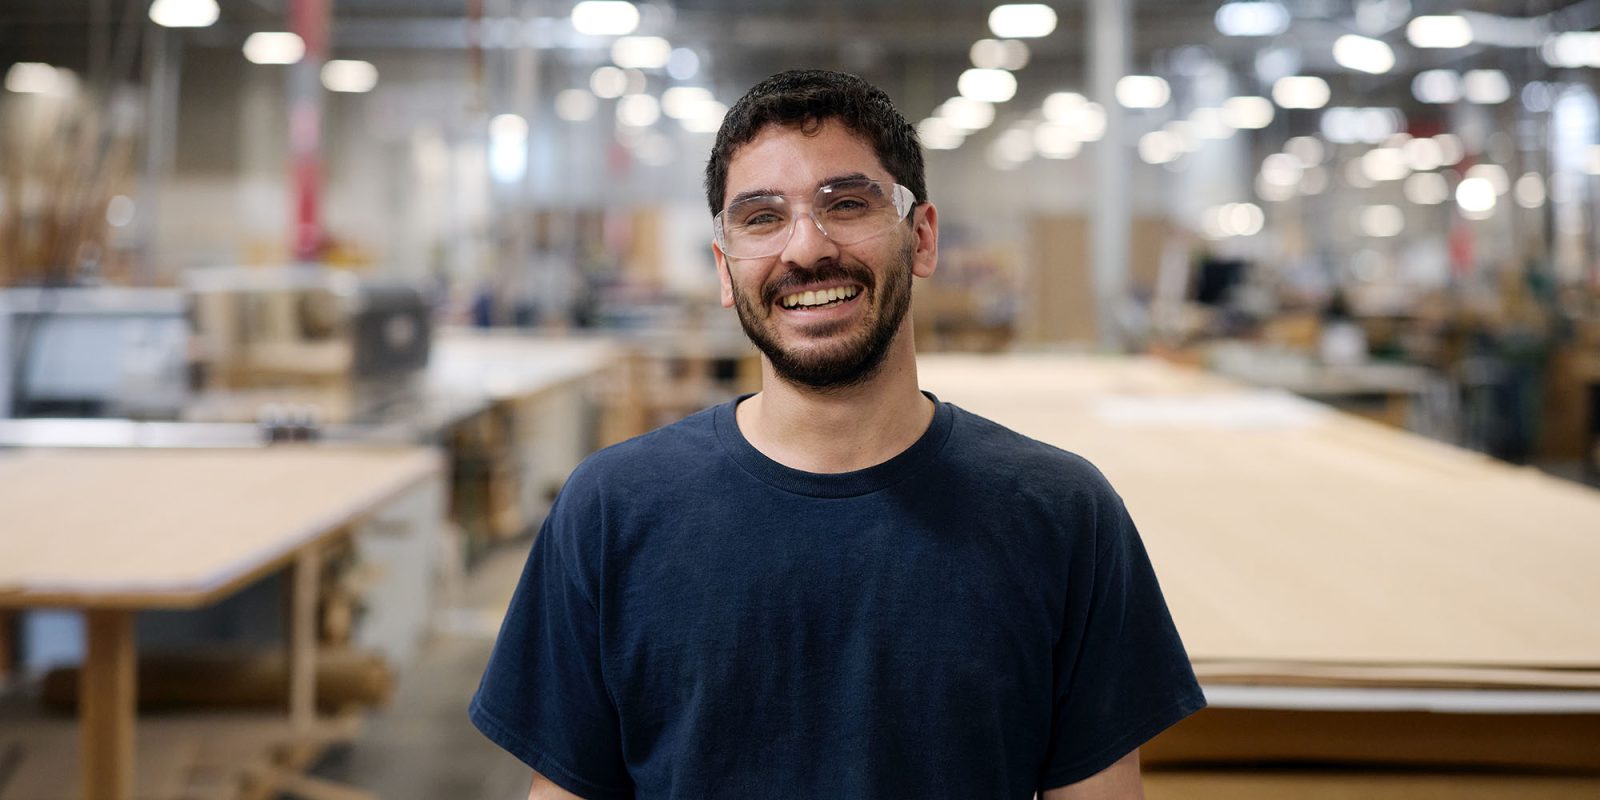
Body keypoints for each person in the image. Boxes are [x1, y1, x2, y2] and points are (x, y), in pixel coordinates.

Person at [470, 69, 1205, 800]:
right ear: (726, 269)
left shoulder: (1061, 515)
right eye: (761, 218)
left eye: (847, 203)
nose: (805, 248)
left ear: (920, 237)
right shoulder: (611, 511)